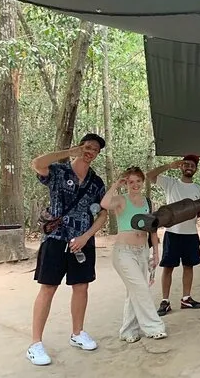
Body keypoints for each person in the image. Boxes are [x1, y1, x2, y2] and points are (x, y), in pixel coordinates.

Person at [28, 133, 108, 366]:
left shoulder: (96, 182)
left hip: (82, 242)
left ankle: (77, 333)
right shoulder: (58, 171)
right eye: (87, 147)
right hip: (55, 238)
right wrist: (69, 152)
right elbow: (37, 164)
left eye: (95, 150)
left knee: (81, 286)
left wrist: (86, 236)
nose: (90, 152)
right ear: (80, 146)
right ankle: (35, 344)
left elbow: (103, 213)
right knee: (48, 287)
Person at [101, 167, 167, 342]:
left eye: (138, 181)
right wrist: (116, 184)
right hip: (124, 252)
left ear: (143, 182)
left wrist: (155, 252)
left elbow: (153, 229)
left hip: (142, 251)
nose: (135, 185)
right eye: (131, 182)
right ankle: (154, 327)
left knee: (134, 291)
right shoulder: (121, 200)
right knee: (140, 288)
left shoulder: (147, 202)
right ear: (126, 183)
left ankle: (128, 331)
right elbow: (105, 204)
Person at [146, 154, 200, 316]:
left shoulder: (199, 189)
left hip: (191, 234)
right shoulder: (170, 183)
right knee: (168, 267)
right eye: (186, 164)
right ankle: (165, 301)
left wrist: (189, 213)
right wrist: (169, 166)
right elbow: (149, 175)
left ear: (196, 169)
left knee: (189, 266)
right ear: (181, 166)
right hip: (172, 233)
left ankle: (186, 298)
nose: (189, 167)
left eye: (192, 165)